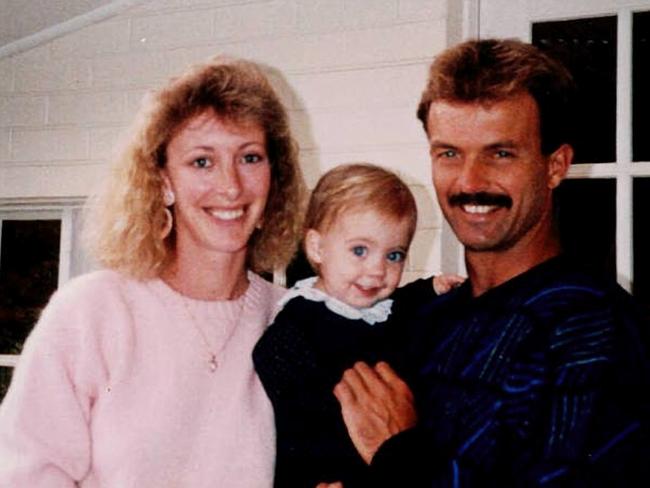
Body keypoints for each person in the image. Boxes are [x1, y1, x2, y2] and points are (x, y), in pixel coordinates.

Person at [329, 39, 650, 487]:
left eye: (500, 153)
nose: (469, 181)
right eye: (449, 154)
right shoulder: (427, 319)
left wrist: (398, 453)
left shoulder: (592, 329)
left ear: (555, 166)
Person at [0, 56, 304, 487]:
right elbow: (25, 474)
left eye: (250, 157)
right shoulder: (93, 311)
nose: (231, 186)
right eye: (202, 161)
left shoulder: (296, 320)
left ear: (275, 176)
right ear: (163, 180)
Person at [253, 163, 462, 488]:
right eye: (360, 250)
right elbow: (295, 421)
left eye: (394, 255)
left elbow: (403, 304)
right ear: (317, 248)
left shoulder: (379, 308)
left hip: (384, 464)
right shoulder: (299, 324)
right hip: (326, 469)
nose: (377, 270)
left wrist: (431, 287)